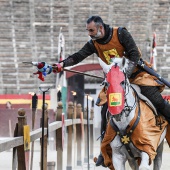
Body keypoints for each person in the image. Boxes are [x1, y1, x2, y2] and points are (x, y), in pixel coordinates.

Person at [53, 15, 170, 166]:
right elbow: (78, 56)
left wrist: (124, 75)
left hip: (137, 75)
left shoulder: (121, 33)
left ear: (100, 28)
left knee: (157, 101)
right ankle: (105, 149)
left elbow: (135, 54)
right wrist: (61, 65)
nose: (89, 33)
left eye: (92, 30)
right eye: (88, 30)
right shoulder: (94, 43)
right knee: (105, 109)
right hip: (115, 82)